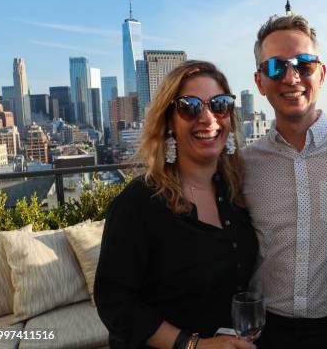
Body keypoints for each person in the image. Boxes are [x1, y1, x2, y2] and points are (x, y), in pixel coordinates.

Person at [95, 61, 258, 349]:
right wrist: (193, 345)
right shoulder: (139, 202)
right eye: (190, 106)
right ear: (169, 120)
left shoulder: (235, 192)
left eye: (220, 105)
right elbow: (115, 301)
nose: (208, 119)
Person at [241, 14, 327, 349]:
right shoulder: (244, 164)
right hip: (267, 331)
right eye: (276, 67)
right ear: (260, 81)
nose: (292, 77)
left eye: (304, 65)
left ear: (322, 73)